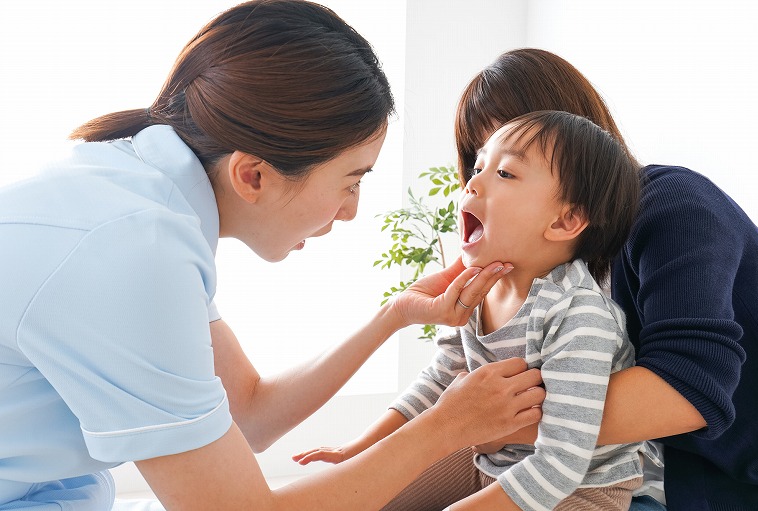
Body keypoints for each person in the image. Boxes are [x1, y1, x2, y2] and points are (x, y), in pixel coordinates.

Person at [0, 3, 547, 509]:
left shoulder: (141, 197)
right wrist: (445, 428)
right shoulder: (133, 253)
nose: (351, 210)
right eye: (350, 181)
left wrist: (394, 317)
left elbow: (249, 414)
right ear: (253, 174)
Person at [449, 48, 758, 511]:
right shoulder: (544, 266)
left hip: (724, 476)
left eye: (510, 166)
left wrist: (473, 425)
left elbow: (688, 390)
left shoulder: (671, 205)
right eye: (479, 164)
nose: (484, 185)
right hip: (636, 466)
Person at [294, 110, 645, 511]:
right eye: (479, 167)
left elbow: (562, 461)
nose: (473, 182)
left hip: (579, 489)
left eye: (506, 174)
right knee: (364, 496)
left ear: (566, 221)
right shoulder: (479, 288)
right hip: (490, 461)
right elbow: (439, 380)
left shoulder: (579, 316)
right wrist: (356, 451)